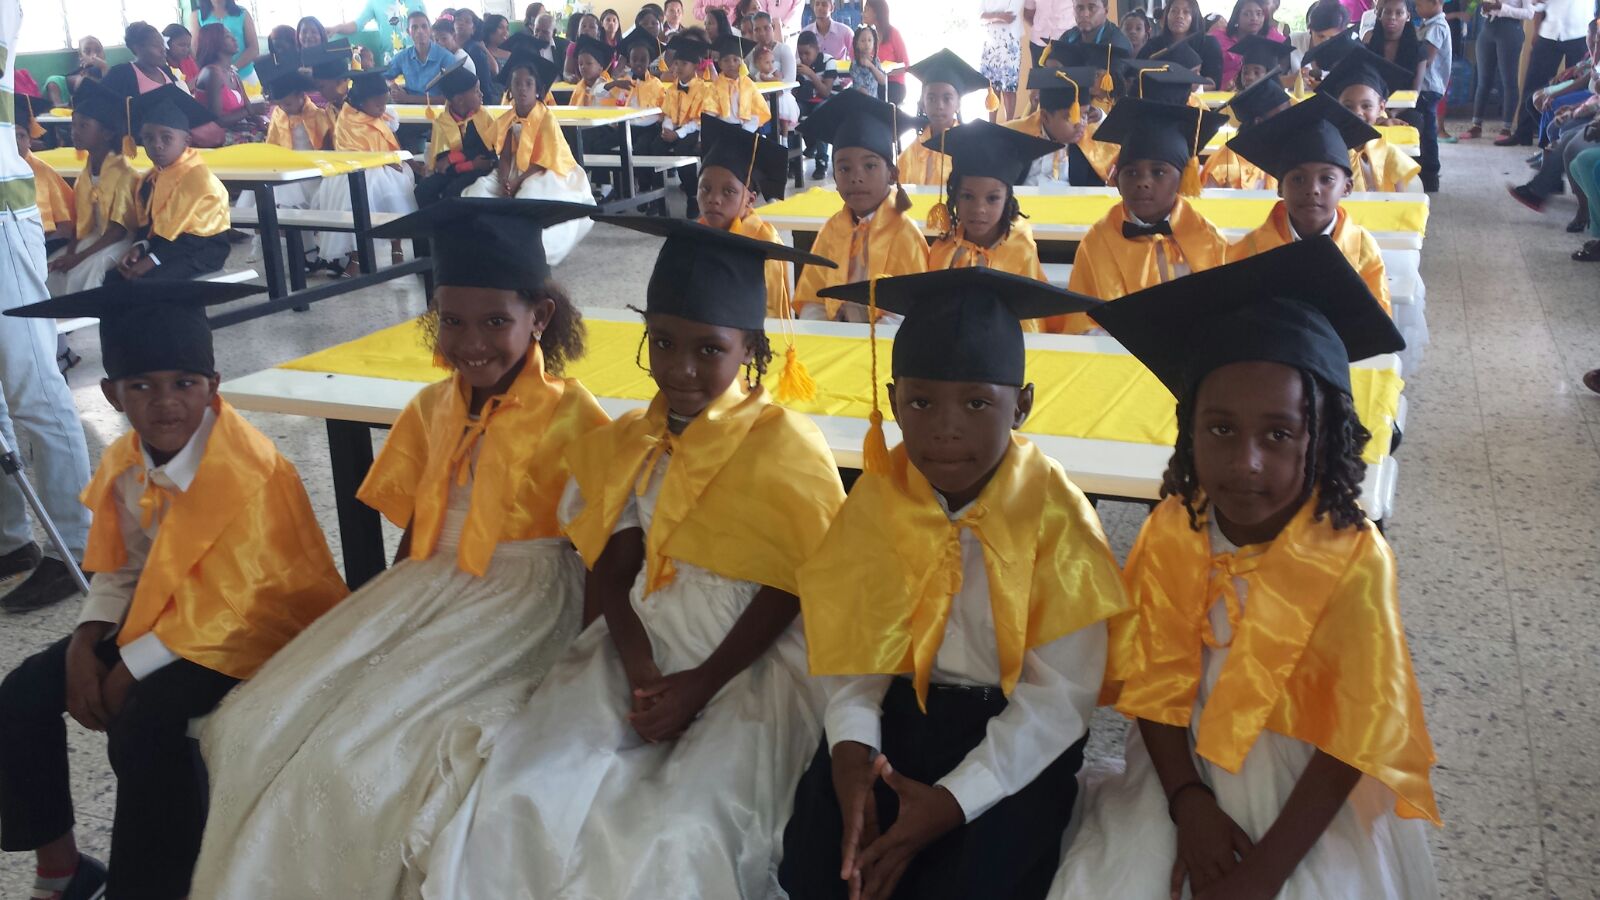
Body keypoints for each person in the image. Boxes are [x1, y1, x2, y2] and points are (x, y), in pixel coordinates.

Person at [419, 217, 846, 900]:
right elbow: (615, 565)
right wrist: (637, 661)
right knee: (529, 787)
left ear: (752, 349)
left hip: (747, 659)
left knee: (680, 826)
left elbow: (791, 587)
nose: (680, 368)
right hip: (641, 632)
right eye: (664, 342)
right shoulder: (633, 439)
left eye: (709, 349)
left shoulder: (787, 446)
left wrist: (699, 685)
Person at [191, 198, 605, 900]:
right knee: (251, 723)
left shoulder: (575, 416)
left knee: (368, 760)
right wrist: (384, 622)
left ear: (539, 316)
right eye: (452, 320)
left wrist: (589, 663)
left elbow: (598, 549)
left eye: (495, 322)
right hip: (429, 582)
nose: (471, 341)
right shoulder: (430, 406)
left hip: (525, 601)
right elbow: (417, 529)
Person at [1048, 238, 1440, 900]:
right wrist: (1188, 802)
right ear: (1188, 431)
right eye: (1221, 429)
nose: (1247, 461)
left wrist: (1263, 875)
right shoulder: (1173, 529)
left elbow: (1353, 739)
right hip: (1179, 767)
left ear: (1322, 437)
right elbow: (1151, 682)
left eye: (1278, 434)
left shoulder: (1352, 558)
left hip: (1305, 790)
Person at [778, 267, 1124, 900]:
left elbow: (1057, 702)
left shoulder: (1061, 522)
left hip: (1015, 734)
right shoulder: (878, 502)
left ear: (1022, 404)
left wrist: (953, 800)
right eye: (920, 403)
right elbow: (857, 660)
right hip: (904, 715)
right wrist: (852, 750)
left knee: (968, 883)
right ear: (892, 399)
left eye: (976, 403)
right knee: (822, 863)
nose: (945, 427)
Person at [0, 279, 348, 900]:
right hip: (171, 619)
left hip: (262, 630)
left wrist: (127, 668)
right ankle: (63, 869)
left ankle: (156, 888)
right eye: (141, 386)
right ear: (111, 393)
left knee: (144, 721)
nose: (165, 403)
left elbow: (237, 605)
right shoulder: (126, 459)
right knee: (23, 691)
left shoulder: (248, 470)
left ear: (213, 386)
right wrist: (84, 641)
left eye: (184, 383)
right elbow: (124, 566)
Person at [1057, 98, 1228, 332]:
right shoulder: (1097, 241)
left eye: (1158, 172)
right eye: (1131, 173)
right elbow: (1082, 323)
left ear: (1182, 179)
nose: (1143, 182)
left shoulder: (1208, 239)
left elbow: (1223, 313)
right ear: (1117, 182)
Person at [1224, 93, 1392, 313]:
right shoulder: (1252, 249)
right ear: (1280, 188)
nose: (1312, 189)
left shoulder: (1362, 248)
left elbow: (1376, 319)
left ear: (1347, 187)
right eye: (1297, 179)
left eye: (1327, 179)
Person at [793, 90, 930, 321]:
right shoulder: (831, 230)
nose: (856, 177)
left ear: (893, 174)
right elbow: (812, 298)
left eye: (870, 166)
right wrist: (828, 331)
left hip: (885, 339)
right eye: (844, 168)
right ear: (834, 178)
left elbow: (909, 312)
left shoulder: (905, 235)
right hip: (835, 338)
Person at [462, 56, 595, 264]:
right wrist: (505, 180)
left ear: (537, 90)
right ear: (510, 89)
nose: (522, 89)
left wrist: (517, 182)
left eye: (528, 84)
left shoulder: (546, 118)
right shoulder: (509, 118)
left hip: (546, 169)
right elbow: (505, 155)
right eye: (517, 83)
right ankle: (486, 246)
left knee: (530, 195)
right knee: (479, 190)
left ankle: (530, 251)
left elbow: (543, 160)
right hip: (516, 167)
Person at [108, 86, 231, 284]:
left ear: (186, 141)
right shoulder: (150, 179)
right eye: (149, 138)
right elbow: (148, 225)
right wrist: (139, 247)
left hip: (201, 251)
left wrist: (153, 259)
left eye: (167, 138)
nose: (157, 145)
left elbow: (195, 237)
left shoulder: (199, 181)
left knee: (148, 282)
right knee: (114, 278)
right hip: (164, 247)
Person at [925, 120, 1060, 290]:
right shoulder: (943, 249)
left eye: (992, 198)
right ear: (955, 196)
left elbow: (1030, 304)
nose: (979, 209)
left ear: (1007, 198)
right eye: (967, 196)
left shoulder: (1020, 249)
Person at [314, 72, 418, 277]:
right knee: (354, 201)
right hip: (355, 169)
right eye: (378, 104)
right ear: (361, 102)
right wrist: (384, 161)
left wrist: (406, 162)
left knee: (393, 196)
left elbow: (393, 142)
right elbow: (351, 152)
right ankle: (356, 256)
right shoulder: (347, 120)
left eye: (385, 103)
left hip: (387, 167)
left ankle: (396, 248)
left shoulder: (383, 116)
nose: (383, 108)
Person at [695, 114, 797, 315]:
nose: (713, 199)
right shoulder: (692, 236)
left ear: (750, 199)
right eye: (705, 188)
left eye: (728, 191)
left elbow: (771, 312)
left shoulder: (764, 243)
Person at [45, 82, 137, 296]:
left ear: (107, 133)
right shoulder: (84, 176)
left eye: (83, 126)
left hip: (120, 240)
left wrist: (78, 258)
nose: (74, 132)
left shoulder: (125, 175)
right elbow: (81, 223)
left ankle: (87, 318)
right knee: (51, 270)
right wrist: (70, 252)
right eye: (73, 125)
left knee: (82, 273)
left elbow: (118, 231)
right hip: (93, 237)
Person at [1318, 47, 1423, 191]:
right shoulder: (1325, 153)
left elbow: (1400, 199)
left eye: (1366, 106)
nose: (1357, 113)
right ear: (1337, 106)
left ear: (1381, 108)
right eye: (1347, 106)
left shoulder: (1389, 154)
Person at [1498, 0, 1591, 146]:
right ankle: (1523, 133)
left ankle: (1568, 138)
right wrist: (1536, 29)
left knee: (1577, 85)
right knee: (1532, 83)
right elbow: (1539, 5)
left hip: (1580, 32)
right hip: (1549, 31)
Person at [1008, 67, 1115, 187]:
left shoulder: (1091, 145)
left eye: (1084, 115)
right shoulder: (1016, 136)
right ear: (1045, 117)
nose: (1080, 124)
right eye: (1070, 117)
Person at [896, 50, 987, 186]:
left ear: (958, 104)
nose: (939, 105)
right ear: (923, 104)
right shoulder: (909, 155)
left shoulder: (972, 150)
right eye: (931, 98)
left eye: (947, 98)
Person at [414, 61, 496, 207]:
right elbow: (441, 163)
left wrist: (455, 158)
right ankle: (432, 221)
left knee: (453, 191)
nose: (481, 94)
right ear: (459, 100)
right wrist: (462, 163)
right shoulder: (442, 122)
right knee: (423, 189)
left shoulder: (483, 117)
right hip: (455, 170)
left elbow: (486, 153)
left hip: (480, 169)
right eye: (476, 91)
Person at [1201, 66, 1292, 189]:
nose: (1288, 122)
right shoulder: (1224, 165)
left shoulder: (1287, 155)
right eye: (1282, 117)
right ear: (1259, 122)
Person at [191, 23, 269, 146]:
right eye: (227, 36)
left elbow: (248, 108)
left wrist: (262, 123)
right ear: (215, 42)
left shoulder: (233, 73)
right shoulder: (212, 73)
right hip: (219, 138)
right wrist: (251, 110)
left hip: (238, 131)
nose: (234, 39)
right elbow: (216, 121)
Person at [11, 99, 72, 249]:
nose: (15, 142)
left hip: (41, 246)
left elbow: (66, 226)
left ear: (30, 141)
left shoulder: (43, 171)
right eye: (9, 136)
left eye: (21, 135)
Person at [1411, 0, 1449, 192]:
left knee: (1427, 133)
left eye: (1419, 4)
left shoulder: (1437, 27)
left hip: (1428, 87)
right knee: (1424, 129)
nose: (1417, 8)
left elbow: (1427, 59)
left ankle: (1430, 174)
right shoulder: (1428, 24)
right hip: (1426, 87)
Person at [1141, 0, 1223, 87]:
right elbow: (1136, 74)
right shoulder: (1153, 44)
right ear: (1166, 16)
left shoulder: (1209, 44)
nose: (1179, 16)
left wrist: (1192, 86)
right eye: (1174, 11)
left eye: (1186, 12)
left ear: (1194, 17)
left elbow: (1212, 82)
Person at [795, 31, 840, 178]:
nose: (803, 57)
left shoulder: (828, 61)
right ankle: (794, 160)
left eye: (807, 53)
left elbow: (826, 92)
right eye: (800, 53)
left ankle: (821, 161)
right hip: (807, 101)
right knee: (793, 111)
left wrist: (811, 74)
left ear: (817, 49)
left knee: (819, 113)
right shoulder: (799, 65)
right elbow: (797, 91)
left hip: (829, 101)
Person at [1213, 0, 1286, 90]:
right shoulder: (1218, 38)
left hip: (1261, 92)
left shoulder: (1275, 38)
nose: (1254, 18)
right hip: (1220, 92)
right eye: (1247, 14)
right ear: (1237, 16)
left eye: (1259, 14)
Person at [331, 0, 427, 66]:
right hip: (391, 62)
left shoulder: (417, 1)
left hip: (419, 58)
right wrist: (337, 28)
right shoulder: (375, 2)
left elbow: (427, 27)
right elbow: (357, 24)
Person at [188, 0, 261, 87]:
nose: (233, 39)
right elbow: (196, 48)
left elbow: (254, 48)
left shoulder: (242, 13)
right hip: (215, 79)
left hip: (246, 75)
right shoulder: (196, 15)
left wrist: (232, 69)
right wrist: (214, 72)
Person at [707, 34, 772, 130]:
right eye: (726, 60)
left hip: (745, 128)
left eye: (735, 60)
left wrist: (745, 131)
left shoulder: (748, 85)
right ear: (720, 64)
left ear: (742, 62)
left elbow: (755, 114)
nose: (731, 64)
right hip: (722, 129)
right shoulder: (716, 86)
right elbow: (710, 112)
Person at [982, 0, 1027, 120]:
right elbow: (980, 16)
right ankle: (991, 125)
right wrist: (999, 16)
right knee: (992, 88)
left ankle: (1009, 124)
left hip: (1010, 42)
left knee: (1009, 88)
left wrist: (991, 16)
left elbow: (1010, 16)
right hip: (990, 43)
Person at [41, 36, 109, 110]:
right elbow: (56, 110)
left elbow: (110, 98)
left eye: (98, 51)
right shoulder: (54, 83)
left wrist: (104, 68)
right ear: (80, 56)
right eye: (87, 51)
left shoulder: (107, 72)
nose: (94, 55)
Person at [861, 0, 908, 104]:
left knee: (878, 100)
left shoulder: (893, 33)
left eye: (866, 10)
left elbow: (906, 64)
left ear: (877, 13)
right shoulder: (862, 34)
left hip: (893, 83)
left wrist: (885, 72)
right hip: (869, 82)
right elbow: (854, 59)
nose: (862, 14)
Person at [1023, 0, 1083, 67]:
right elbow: (1028, 12)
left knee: (1070, 73)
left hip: (1068, 43)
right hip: (1039, 42)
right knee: (1040, 73)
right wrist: (1040, 27)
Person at [748, 11, 797, 82]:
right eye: (757, 30)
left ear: (773, 27)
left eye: (766, 28)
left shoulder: (783, 50)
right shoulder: (751, 53)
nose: (762, 33)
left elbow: (790, 80)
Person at [848, 25, 888, 97]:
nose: (867, 44)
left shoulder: (876, 61)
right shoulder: (855, 64)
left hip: (874, 99)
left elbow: (882, 81)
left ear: (874, 42)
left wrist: (871, 66)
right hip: (861, 101)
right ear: (857, 44)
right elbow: (861, 89)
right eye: (863, 41)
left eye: (869, 40)